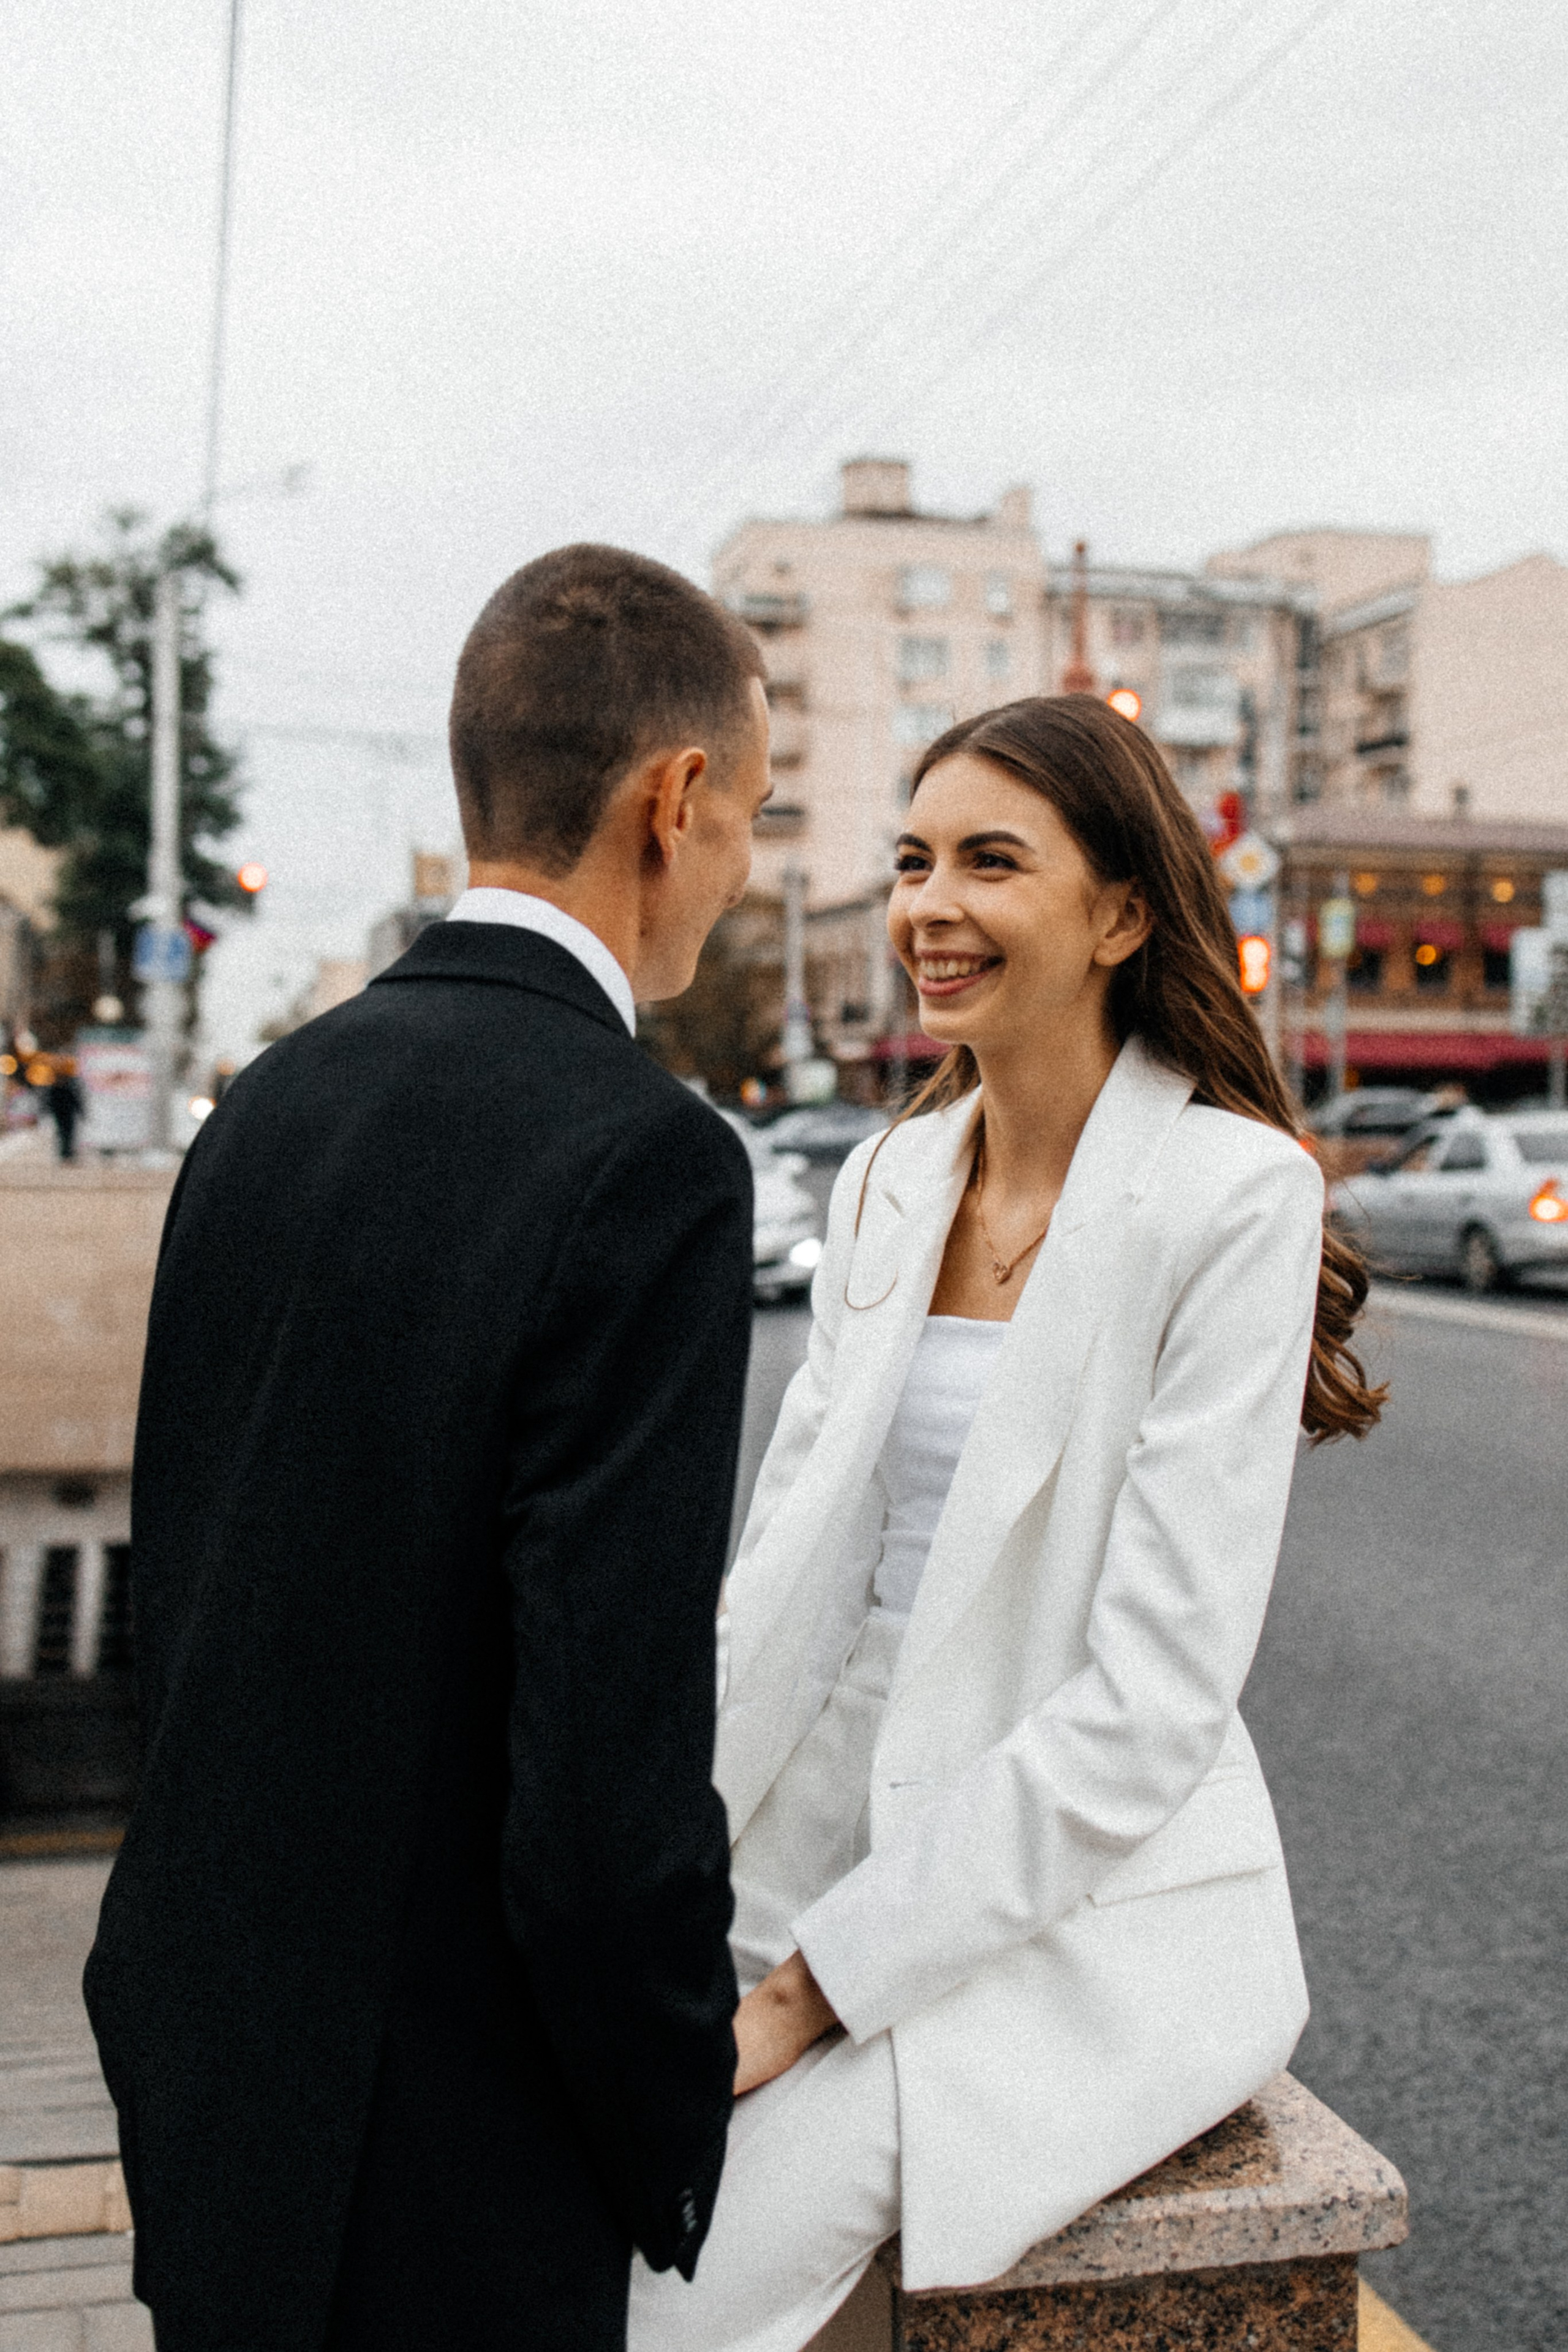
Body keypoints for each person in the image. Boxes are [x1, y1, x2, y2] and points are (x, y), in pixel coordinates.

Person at [630, 695, 1384, 2352]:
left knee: (681, 2283)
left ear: (1123, 914)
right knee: (550, 2174)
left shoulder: (1232, 1195)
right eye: (910, 862)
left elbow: (1150, 1709)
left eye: (990, 861)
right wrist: (646, 1854)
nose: (928, 907)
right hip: (809, 1812)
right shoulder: (889, 1180)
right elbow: (786, 1580)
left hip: (1068, 1894)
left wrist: (806, 1991)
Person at [85, 545, 772, 2352]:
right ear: (672, 797)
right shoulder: (649, 1160)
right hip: (450, 2152)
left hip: (214, 2081)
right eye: (752, 814)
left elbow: (200, 1590)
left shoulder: (266, 1109)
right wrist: (665, 2119)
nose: (744, 866)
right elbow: (603, 1773)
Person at [45, 1056, 85, 1158]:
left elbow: (74, 1099)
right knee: (66, 1132)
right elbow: (74, 1099)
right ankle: (66, 1152)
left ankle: (67, 1151)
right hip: (63, 1112)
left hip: (64, 1112)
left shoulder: (62, 1086)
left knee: (66, 1132)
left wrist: (80, 1110)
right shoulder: (65, 1086)